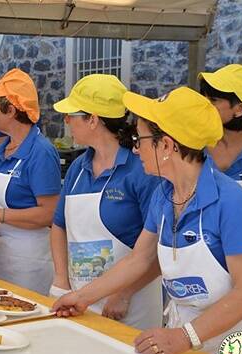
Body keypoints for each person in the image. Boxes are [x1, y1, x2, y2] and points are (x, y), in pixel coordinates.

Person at [52, 87, 242, 354]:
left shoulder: (231, 202)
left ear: (166, 145)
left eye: (139, 140)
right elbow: (140, 258)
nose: (136, 148)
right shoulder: (164, 195)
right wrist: (81, 298)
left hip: (235, 347)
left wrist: (184, 337)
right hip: (182, 339)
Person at [49, 74, 162, 329]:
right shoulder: (78, 167)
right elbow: (59, 225)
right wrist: (60, 278)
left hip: (128, 306)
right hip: (79, 300)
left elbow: (157, 248)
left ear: (93, 119)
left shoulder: (140, 170)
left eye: (72, 115)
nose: (66, 121)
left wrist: (124, 292)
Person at [0, 68, 61, 295]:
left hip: (27, 263)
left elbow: (50, 213)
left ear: (11, 110)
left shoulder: (41, 152)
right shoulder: (2, 148)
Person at [199, 64, 242, 206]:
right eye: (203, 97)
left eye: (213, 100)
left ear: (240, 109)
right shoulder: (191, 144)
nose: (204, 104)